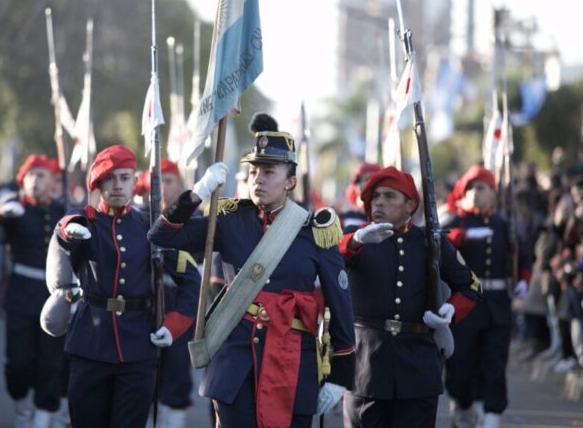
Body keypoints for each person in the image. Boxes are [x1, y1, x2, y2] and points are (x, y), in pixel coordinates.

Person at [149, 113, 356, 428]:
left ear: (290, 181)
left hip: (293, 358)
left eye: (269, 171)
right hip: (235, 357)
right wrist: (198, 193)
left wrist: (340, 373)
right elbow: (161, 235)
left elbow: (339, 304)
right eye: (254, 170)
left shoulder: (313, 230)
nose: (258, 178)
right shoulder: (230, 219)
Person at [53, 144, 200, 428]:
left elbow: (190, 279)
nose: (118, 185)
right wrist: (68, 233)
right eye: (110, 178)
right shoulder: (86, 222)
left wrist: (174, 325)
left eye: (124, 177)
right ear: (98, 183)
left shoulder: (151, 225)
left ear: (135, 181)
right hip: (90, 345)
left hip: (138, 348)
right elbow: (64, 232)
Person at [338, 166, 482, 428]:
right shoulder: (357, 238)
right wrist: (356, 241)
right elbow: (326, 263)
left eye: (390, 196)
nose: (379, 201)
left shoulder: (430, 242)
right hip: (366, 365)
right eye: (376, 196)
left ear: (410, 205)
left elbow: (470, 286)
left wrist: (451, 309)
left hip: (417, 366)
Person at [443, 165, 532, 428]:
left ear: (493, 192)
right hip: (465, 305)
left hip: (496, 304)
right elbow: (439, 245)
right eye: (470, 188)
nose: (474, 193)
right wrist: (463, 236)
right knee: (461, 364)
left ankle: (492, 414)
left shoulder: (504, 224)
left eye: (480, 187)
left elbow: (524, 255)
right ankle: (464, 404)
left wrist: (524, 280)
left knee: (494, 361)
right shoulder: (456, 222)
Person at [0, 154, 67, 428]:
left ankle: (43, 418)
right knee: (19, 362)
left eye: (41, 175)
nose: (35, 180)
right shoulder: (14, 210)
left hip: (54, 297)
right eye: (30, 175)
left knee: (51, 363)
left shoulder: (61, 211)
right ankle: (22, 411)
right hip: (20, 294)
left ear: (53, 181)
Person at [134, 159, 197, 428]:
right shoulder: (139, 218)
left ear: (181, 184)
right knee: (143, 374)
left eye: (168, 180)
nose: (159, 187)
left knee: (177, 368)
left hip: (180, 300)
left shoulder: (194, 218)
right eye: (156, 182)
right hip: (146, 300)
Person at [339, 162, 380, 228]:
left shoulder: (384, 217)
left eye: (372, 179)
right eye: (366, 179)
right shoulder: (344, 218)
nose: (370, 183)